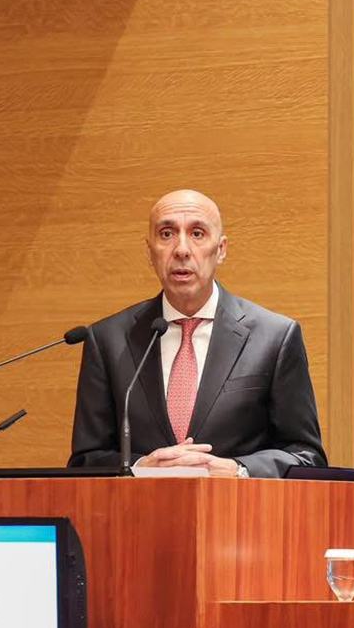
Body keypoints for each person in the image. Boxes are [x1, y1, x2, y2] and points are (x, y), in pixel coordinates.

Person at [68, 189, 325, 477]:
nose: (181, 249)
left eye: (197, 234)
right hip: (140, 506)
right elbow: (86, 460)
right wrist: (138, 469)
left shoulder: (274, 337)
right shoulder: (107, 340)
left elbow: (306, 456)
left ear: (221, 249)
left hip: (237, 505)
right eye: (167, 234)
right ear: (149, 251)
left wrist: (239, 470)